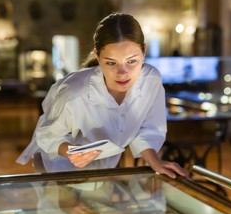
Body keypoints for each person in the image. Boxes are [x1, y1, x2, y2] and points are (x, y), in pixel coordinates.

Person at [17, 12, 188, 179]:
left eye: (131, 61)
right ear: (97, 56)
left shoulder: (151, 80)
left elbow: (149, 128)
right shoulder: (74, 93)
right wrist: (70, 151)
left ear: (144, 52)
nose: (122, 73)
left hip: (103, 171)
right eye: (111, 63)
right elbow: (47, 136)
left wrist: (155, 161)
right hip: (58, 170)